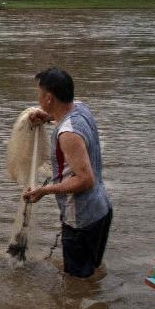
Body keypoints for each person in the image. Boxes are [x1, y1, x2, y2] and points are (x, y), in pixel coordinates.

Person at [21, 68, 112, 279]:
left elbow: (85, 180)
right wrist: (46, 117)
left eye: (40, 94)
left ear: (49, 98)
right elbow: (65, 115)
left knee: (75, 285)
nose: (39, 98)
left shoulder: (68, 135)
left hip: (80, 221)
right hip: (101, 210)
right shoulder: (81, 108)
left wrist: (45, 190)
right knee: (92, 274)